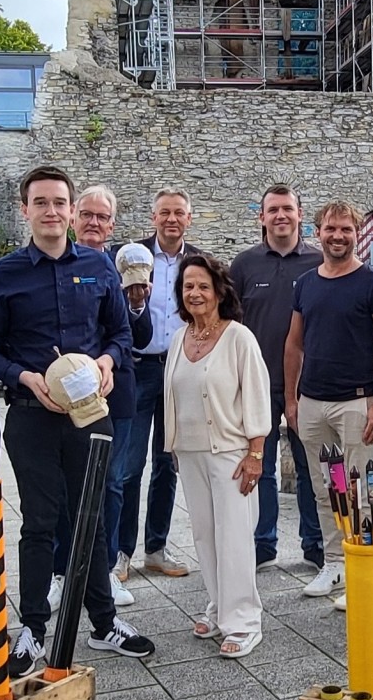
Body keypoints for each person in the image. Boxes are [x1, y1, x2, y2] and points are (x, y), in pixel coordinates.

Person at [0, 165, 156, 678]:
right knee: (40, 522)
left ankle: (104, 623)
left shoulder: (98, 268)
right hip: (32, 416)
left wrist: (107, 362)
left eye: (60, 202)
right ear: (24, 208)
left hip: (89, 417)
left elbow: (121, 335)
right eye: (41, 202)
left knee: (92, 519)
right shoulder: (4, 274)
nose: (52, 211)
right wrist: (24, 376)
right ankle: (31, 628)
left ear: (73, 211)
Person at [285, 200, 373, 605]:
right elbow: (294, 345)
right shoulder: (306, 284)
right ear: (318, 232)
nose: (338, 236)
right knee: (325, 490)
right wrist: (291, 400)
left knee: (363, 492)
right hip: (313, 403)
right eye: (330, 229)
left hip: (356, 402)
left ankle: (363, 569)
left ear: (358, 234)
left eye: (346, 230)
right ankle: (333, 563)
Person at [165, 254, 272, 657]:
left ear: (219, 292)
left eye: (203, 286)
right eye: (188, 286)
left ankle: (244, 621)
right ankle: (218, 605)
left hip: (232, 452)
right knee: (205, 535)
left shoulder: (238, 337)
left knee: (234, 537)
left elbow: (258, 397)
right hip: (190, 453)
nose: (195, 293)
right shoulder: (180, 338)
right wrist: (174, 445)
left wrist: (256, 453)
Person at [47, 185, 148, 609]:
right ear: (72, 217)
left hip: (113, 393)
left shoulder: (126, 265)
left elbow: (136, 337)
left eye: (102, 217)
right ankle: (60, 572)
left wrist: (138, 305)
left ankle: (105, 571)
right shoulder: (52, 261)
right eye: (86, 214)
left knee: (110, 484)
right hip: (61, 398)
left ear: (112, 225)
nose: (93, 223)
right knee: (60, 489)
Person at [230, 184, 324, 571]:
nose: (280, 216)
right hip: (257, 383)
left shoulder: (319, 263)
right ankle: (262, 542)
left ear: (300, 215)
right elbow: (229, 324)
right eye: (273, 210)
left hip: (308, 385)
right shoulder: (244, 265)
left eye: (287, 209)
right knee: (261, 467)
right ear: (262, 217)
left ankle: (316, 543)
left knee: (310, 468)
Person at [117, 188, 202, 582]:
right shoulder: (132, 257)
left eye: (179, 213)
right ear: (153, 218)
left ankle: (156, 548)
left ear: (189, 218)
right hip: (139, 368)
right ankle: (121, 552)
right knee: (129, 466)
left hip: (179, 370)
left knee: (167, 464)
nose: (172, 219)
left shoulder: (198, 262)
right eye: (164, 212)